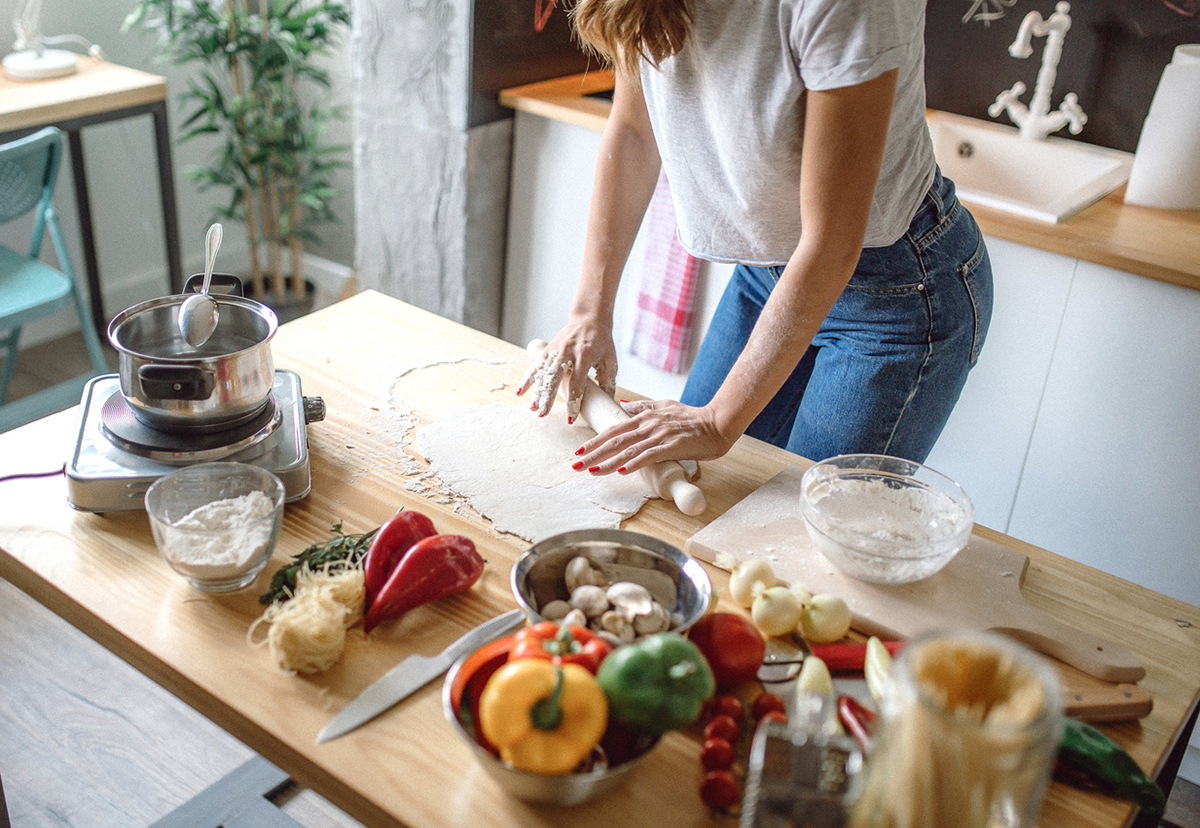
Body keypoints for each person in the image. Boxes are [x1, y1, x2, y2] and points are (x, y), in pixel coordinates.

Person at [517, 0, 993, 478]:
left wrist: (718, 422)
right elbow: (633, 133)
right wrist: (589, 312)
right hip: (767, 275)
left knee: (797, 530)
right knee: (694, 480)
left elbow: (832, 241)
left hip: (896, 298)